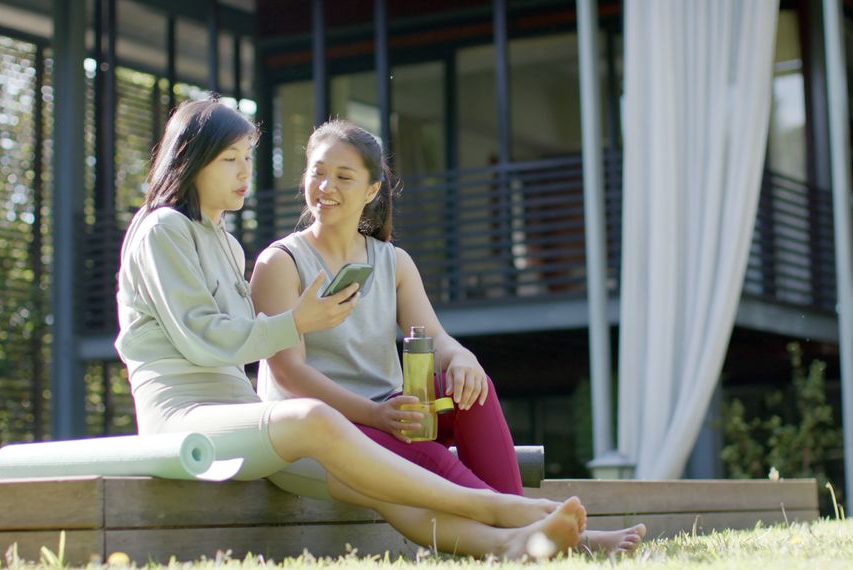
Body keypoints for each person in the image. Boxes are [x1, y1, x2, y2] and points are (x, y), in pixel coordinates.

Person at [116, 97, 595, 560]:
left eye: (247, 158)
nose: (245, 172)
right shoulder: (164, 228)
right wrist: (296, 323)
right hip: (186, 417)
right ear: (193, 160)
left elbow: (243, 339)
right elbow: (203, 338)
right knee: (317, 420)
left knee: (379, 482)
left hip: (246, 421)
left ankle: (509, 545)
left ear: (372, 190)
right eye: (230, 159)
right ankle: (506, 509)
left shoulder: (224, 242)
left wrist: (460, 358)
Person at [249, 118, 645, 554]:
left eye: (343, 177)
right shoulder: (281, 262)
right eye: (318, 172)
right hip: (323, 428)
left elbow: (436, 337)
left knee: (472, 389)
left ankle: (539, 533)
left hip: (389, 414)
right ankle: (559, 534)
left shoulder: (393, 262)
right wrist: (375, 414)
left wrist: (462, 359)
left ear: (372, 191)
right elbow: (287, 374)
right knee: (433, 457)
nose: (326, 186)